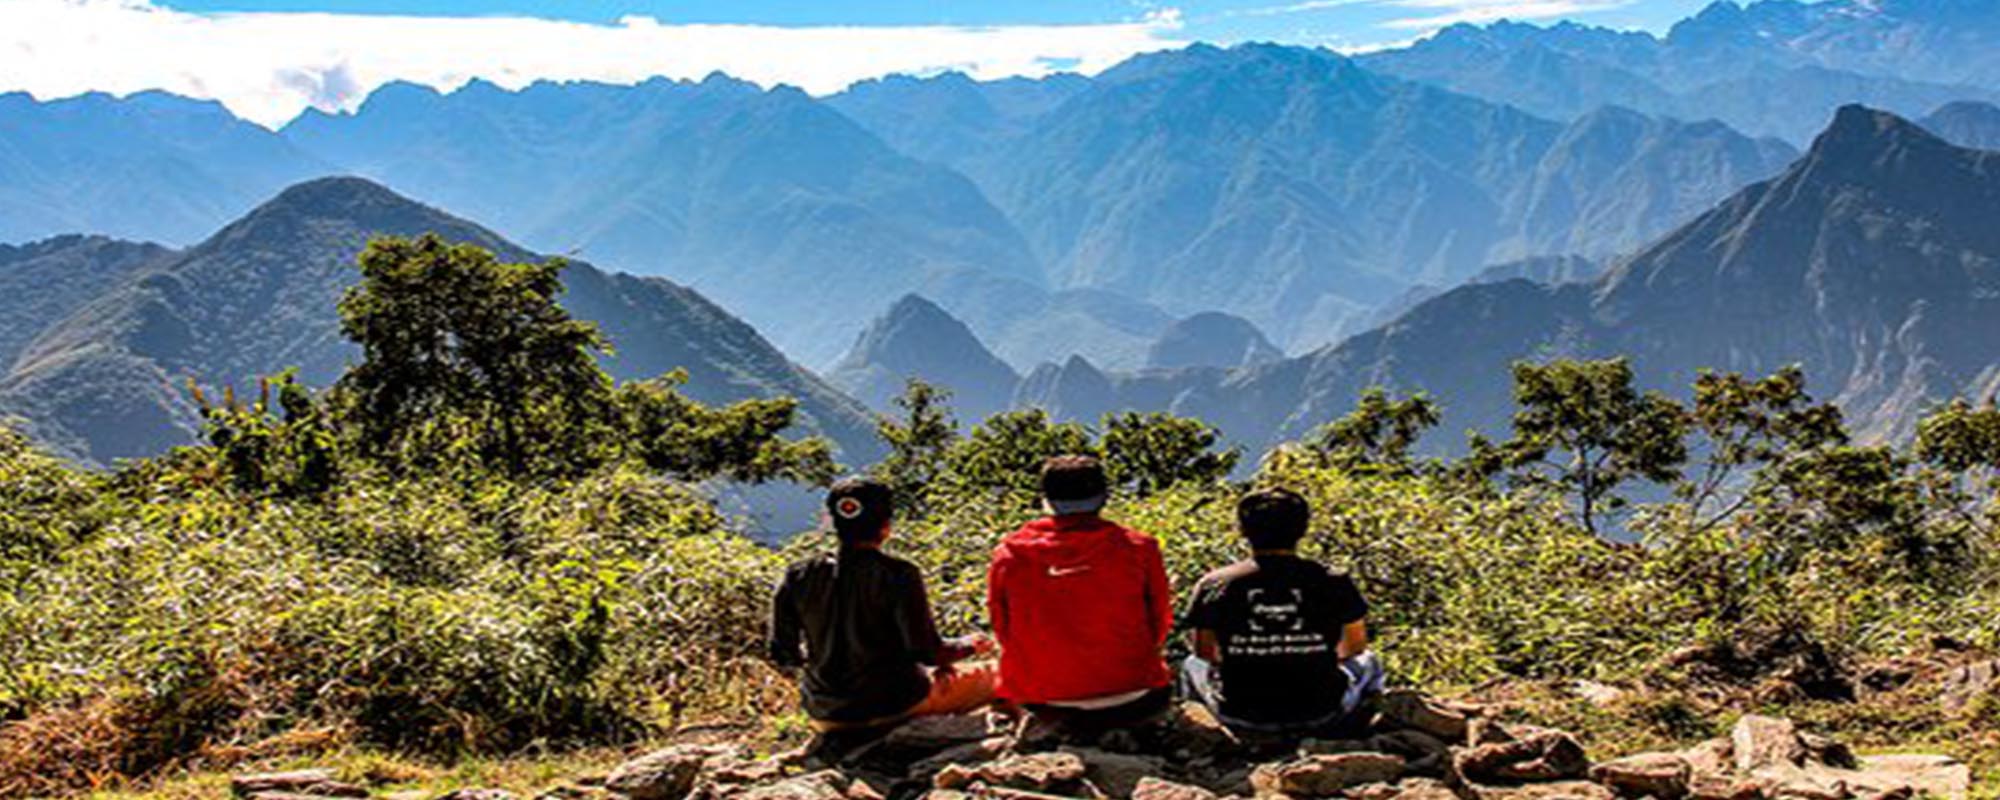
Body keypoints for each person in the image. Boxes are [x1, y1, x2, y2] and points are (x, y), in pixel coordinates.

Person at [769, 477, 997, 730]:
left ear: (833, 523)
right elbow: (927, 653)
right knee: (995, 673)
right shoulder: (899, 574)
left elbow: (784, 653)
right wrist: (970, 646)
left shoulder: (798, 574)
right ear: (886, 526)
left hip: (825, 713)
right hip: (896, 705)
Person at [1180, 487, 1384, 735]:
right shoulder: (1333, 580)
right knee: (1370, 661)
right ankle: (1363, 726)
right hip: (1322, 713)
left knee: (1191, 663)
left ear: (1243, 531)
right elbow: (1354, 646)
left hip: (1239, 715)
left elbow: (1205, 651)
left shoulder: (1215, 583)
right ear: (1303, 529)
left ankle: (1203, 735)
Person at [987, 455, 1174, 723]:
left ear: (1046, 499)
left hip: (1044, 700)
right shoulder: (1140, 548)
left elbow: (1002, 628)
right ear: (1104, 497)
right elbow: (1160, 620)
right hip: (1135, 694)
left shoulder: (1009, 554)